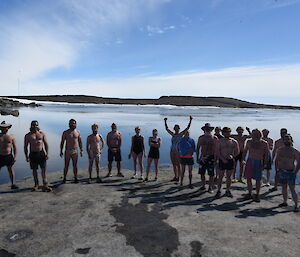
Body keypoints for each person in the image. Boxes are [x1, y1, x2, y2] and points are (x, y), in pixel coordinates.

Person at [242, 129, 269, 202]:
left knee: (258, 179)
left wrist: (264, 164)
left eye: (257, 134)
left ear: (260, 135)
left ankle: (257, 194)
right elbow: (245, 151)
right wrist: (243, 159)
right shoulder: (248, 141)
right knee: (248, 178)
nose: (255, 135)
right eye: (254, 134)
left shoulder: (264, 143)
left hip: (259, 161)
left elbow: (266, 155)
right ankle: (250, 193)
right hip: (250, 161)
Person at [164, 116, 193, 183]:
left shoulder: (180, 135)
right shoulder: (173, 135)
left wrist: (190, 120)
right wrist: (165, 121)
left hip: (177, 151)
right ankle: (175, 176)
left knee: (178, 164)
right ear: (174, 129)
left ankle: (179, 177)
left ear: (179, 129)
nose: (176, 129)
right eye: (175, 128)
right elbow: (167, 129)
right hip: (172, 151)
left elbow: (187, 128)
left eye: (177, 128)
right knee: (174, 164)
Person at [24, 121, 51, 191]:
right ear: (31, 126)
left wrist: (47, 153)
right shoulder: (28, 135)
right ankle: (36, 184)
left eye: (36, 125)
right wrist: (26, 156)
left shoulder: (42, 134)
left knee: (43, 170)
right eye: (33, 125)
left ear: (38, 126)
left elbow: (46, 144)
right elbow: (25, 147)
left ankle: (45, 184)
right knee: (34, 170)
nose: (34, 126)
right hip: (33, 154)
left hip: (41, 153)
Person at [275, 134, 299, 212]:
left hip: (290, 171)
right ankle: (285, 202)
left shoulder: (295, 151)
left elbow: (299, 162)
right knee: (284, 187)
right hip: (282, 171)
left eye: (288, 139)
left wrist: (295, 172)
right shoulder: (280, 150)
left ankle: (296, 205)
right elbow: (277, 160)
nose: (286, 140)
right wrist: (277, 169)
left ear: (291, 140)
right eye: (285, 139)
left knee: (292, 189)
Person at [215, 127, 239, 198]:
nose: (227, 133)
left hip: (230, 161)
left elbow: (237, 151)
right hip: (222, 160)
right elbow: (217, 151)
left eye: (228, 132)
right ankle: (219, 190)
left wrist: (233, 156)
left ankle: (228, 190)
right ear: (223, 133)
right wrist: (222, 159)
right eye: (225, 132)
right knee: (220, 177)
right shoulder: (220, 141)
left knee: (229, 177)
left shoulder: (233, 141)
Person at [196, 123, 218, 193]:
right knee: (202, 173)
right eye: (206, 129)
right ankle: (203, 185)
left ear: (211, 130)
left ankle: (210, 187)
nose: (208, 130)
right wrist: (197, 158)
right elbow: (198, 148)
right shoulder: (201, 138)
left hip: (211, 157)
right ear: (204, 130)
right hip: (203, 157)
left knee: (211, 174)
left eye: (209, 129)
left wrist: (216, 159)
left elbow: (217, 149)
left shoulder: (214, 138)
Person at [60, 119, 83, 183]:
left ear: (76, 124)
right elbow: (62, 142)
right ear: (69, 124)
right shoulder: (65, 132)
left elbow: (80, 141)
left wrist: (81, 150)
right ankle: (64, 178)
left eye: (74, 123)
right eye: (71, 123)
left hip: (75, 150)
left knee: (75, 165)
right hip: (67, 150)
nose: (72, 124)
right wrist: (61, 151)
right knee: (66, 165)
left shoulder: (78, 132)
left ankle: (75, 178)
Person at [0, 121, 18, 190]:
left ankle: (13, 184)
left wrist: (15, 156)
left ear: (8, 128)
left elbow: (15, 147)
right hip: (0, 156)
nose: (4, 128)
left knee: (10, 170)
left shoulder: (11, 136)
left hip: (9, 156)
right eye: (3, 127)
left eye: (5, 127)